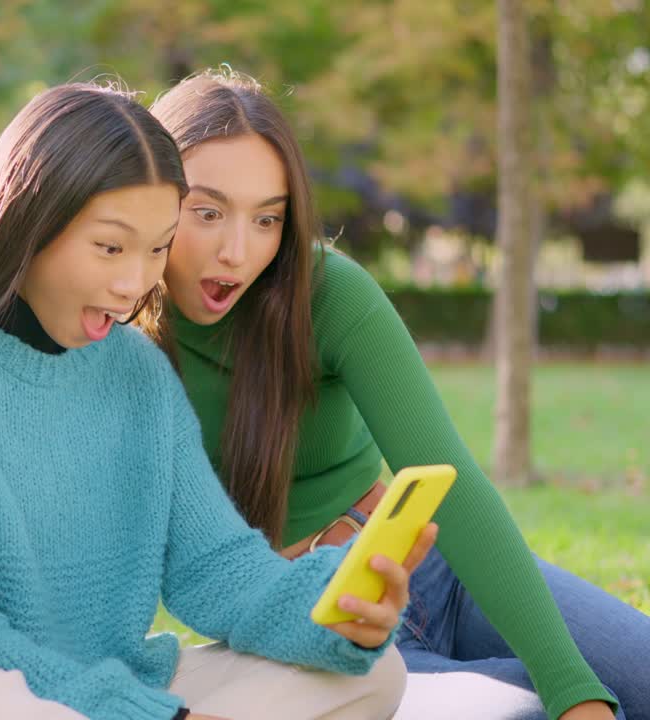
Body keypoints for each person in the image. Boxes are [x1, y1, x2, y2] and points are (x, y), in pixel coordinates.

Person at [0, 82, 427, 720]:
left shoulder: (137, 369)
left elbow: (217, 566)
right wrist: (146, 715)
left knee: (371, 675)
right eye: (110, 247)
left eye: (157, 248)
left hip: (118, 689)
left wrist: (335, 611)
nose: (134, 283)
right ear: (30, 221)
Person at [145, 68, 650, 720]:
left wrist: (575, 690)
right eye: (207, 213)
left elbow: (454, 482)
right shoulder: (121, 350)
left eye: (267, 218)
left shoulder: (328, 295)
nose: (238, 251)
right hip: (316, 630)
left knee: (600, 684)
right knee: (520, 708)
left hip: (437, 576)